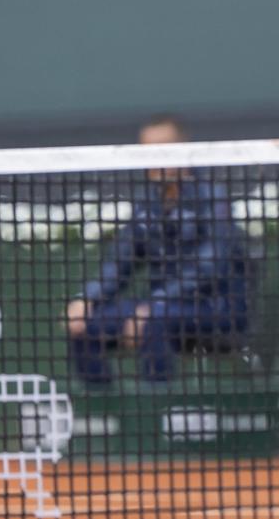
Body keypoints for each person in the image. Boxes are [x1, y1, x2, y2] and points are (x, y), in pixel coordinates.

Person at [66, 117, 251, 389]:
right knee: (86, 324)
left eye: (163, 148)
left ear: (183, 148)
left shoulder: (212, 197)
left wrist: (154, 305)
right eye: (147, 150)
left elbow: (210, 265)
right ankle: (104, 411)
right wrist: (88, 298)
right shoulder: (147, 205)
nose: (155, 159)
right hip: (160, 307)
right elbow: (121, 262)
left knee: (154, 321)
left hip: (218, 309)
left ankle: (157, 410)